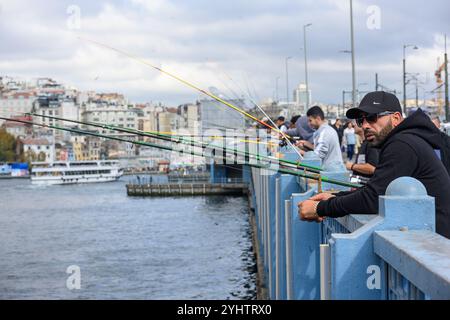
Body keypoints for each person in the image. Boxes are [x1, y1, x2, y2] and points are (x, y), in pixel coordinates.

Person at [298, 91, 450, 239]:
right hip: (430, 239)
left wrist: (321, 208)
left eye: (371, 117)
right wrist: (334, 196)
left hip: (437, 246)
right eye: (360, 120)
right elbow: (377, 190)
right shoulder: (405, 140)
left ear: (396, 118)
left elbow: (372, 199)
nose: (365, 125)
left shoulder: (402, 144)